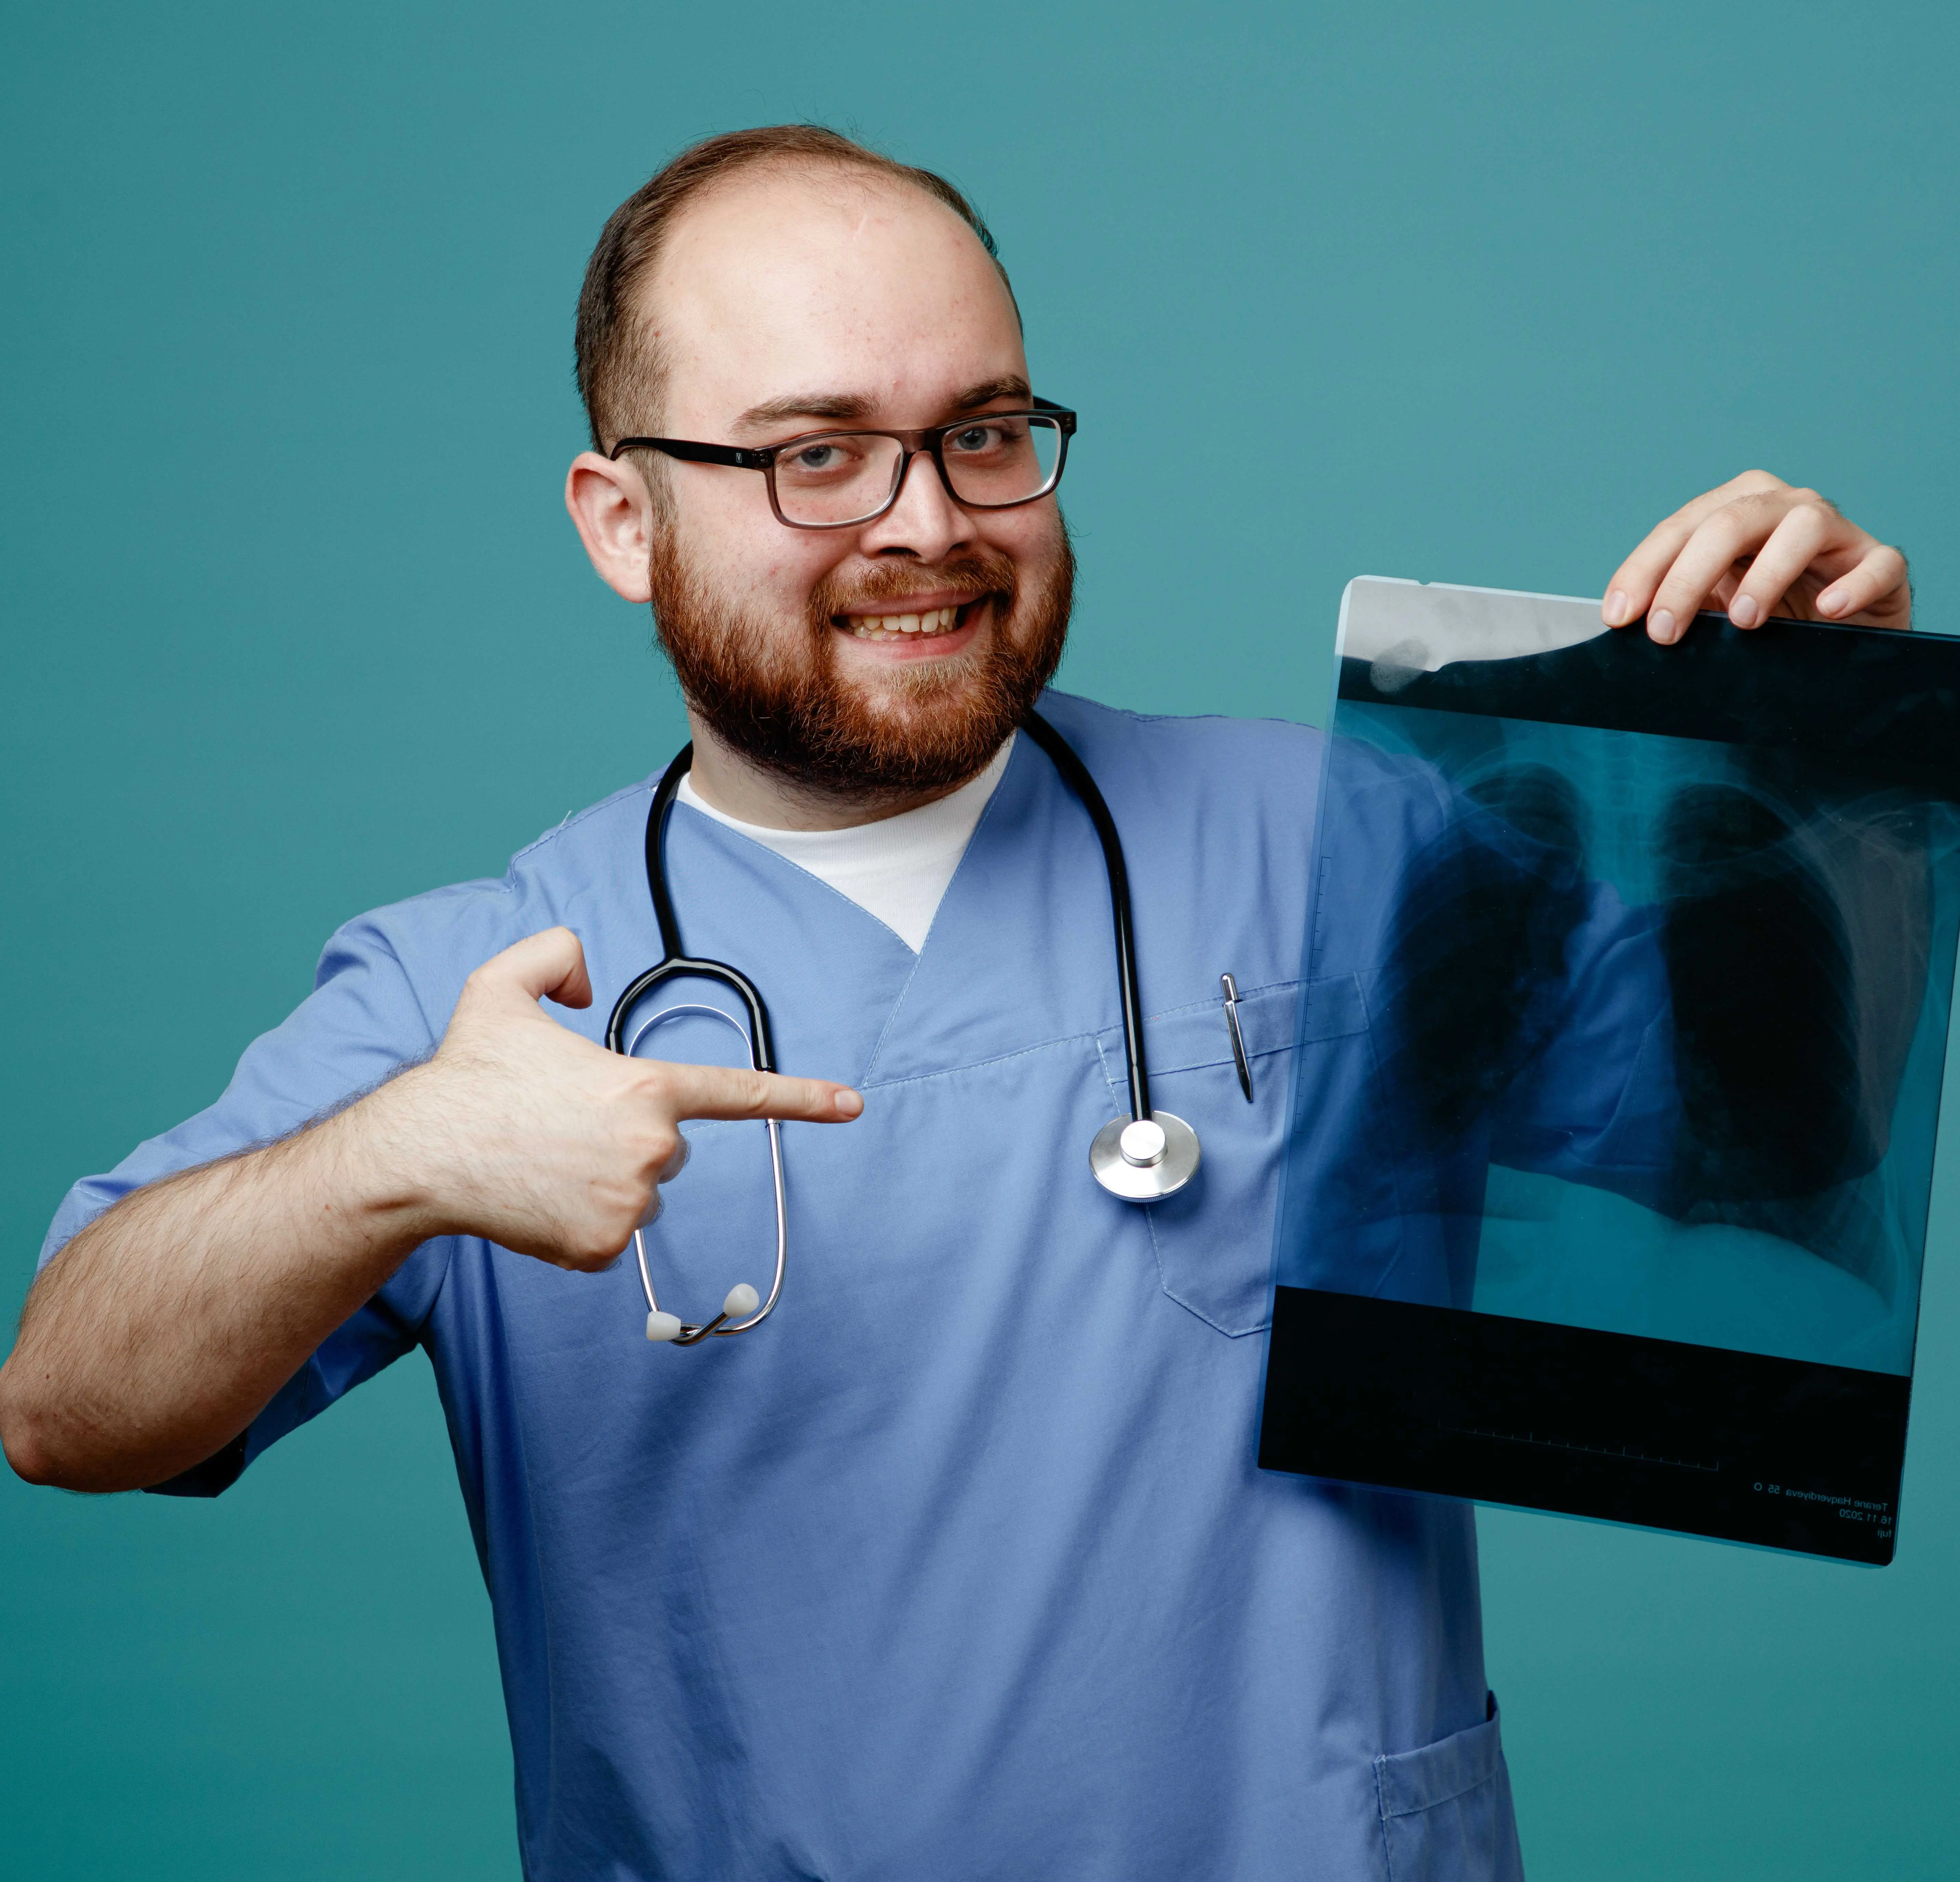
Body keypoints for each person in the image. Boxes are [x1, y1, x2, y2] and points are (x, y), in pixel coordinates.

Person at [0, 125, 1911, 1880]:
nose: (927, 519)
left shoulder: (1350, 836)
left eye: (984, 431)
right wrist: (391, 1161)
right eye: (815, 451)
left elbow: (1777, 1164)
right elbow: (68, 1400)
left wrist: (1825, 765)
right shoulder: (487, 984)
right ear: (621, 519)